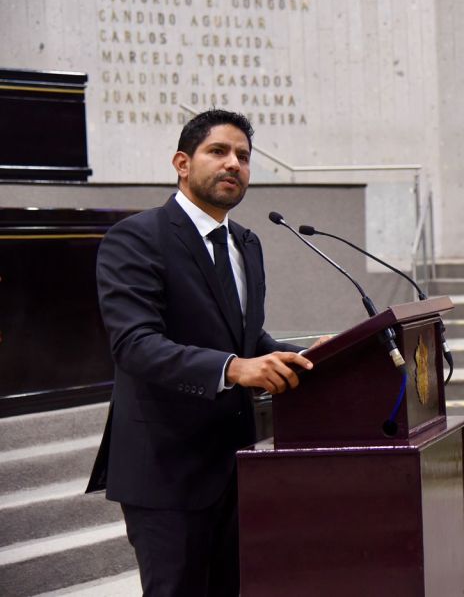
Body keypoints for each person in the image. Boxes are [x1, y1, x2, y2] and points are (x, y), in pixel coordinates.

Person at [88, 109, 319, 596]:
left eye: (244, 156)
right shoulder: (136, 237)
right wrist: (234, 368)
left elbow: (247, 340)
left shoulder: (246, 244)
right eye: (218, 151)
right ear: (182, 163)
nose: (233, 163)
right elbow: (135, 344)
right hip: (166, 467)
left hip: (238, 465)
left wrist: (310, 357)